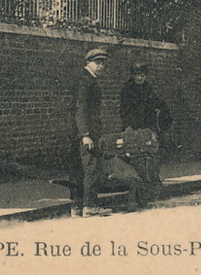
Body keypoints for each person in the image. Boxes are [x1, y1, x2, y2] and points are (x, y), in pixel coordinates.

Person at [119, 63, 171, 204]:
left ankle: (151, 183)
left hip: (148, 127)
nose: (140, 78)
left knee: (151, 154)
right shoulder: (127, 90)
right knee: (135, 156)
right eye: (137, 75)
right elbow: (124, 110)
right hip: (134, 128)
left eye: (142, 75)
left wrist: (160, 111)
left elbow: (159, 103)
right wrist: (127, 126)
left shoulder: (149, 89)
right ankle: (139, 188)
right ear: (133, 75)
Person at [69, 48, 112, 217]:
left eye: (103, 63)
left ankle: (77, 206)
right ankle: (90, 205)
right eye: (98, 63)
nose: (101, 66)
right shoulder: (86, 81)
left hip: (78, 132)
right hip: (86, 133)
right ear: (88, 63)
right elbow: (81, 109)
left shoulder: (85, 79)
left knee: (79, 170)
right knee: (92, 168)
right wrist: (86, 134)